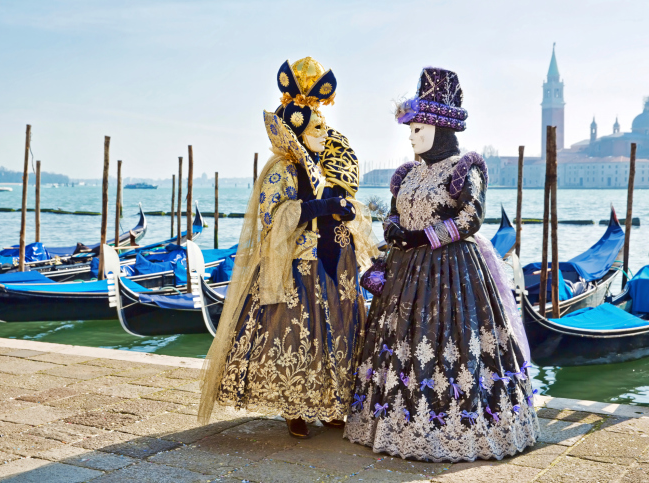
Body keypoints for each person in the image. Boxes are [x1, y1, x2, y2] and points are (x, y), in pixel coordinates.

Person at [344, 67, 539, 461]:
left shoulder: (465, 168)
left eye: (418, 129)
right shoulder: (408, 174)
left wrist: (423, 237)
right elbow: (398, 211)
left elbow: (472, 218)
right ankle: (396, 423)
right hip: (405, 273)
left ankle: (462, 428)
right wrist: (395, 227)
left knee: (453, 346)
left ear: (440, 127)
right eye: (410, 130)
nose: (412, 136)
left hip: (453, 273)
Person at [198, 57, 378, 439]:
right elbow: (273, 216)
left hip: (336, 265)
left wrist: (343, 208)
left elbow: (342, 200)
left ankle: (333, 404)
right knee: (300, 335)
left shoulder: (328, 164)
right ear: (298, 131)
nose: (324, 135)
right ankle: (295, 407)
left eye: (324, 127)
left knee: (340, 333)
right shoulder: (281, 168)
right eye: (317, 129)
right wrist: (324, 206)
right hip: (299, 266)